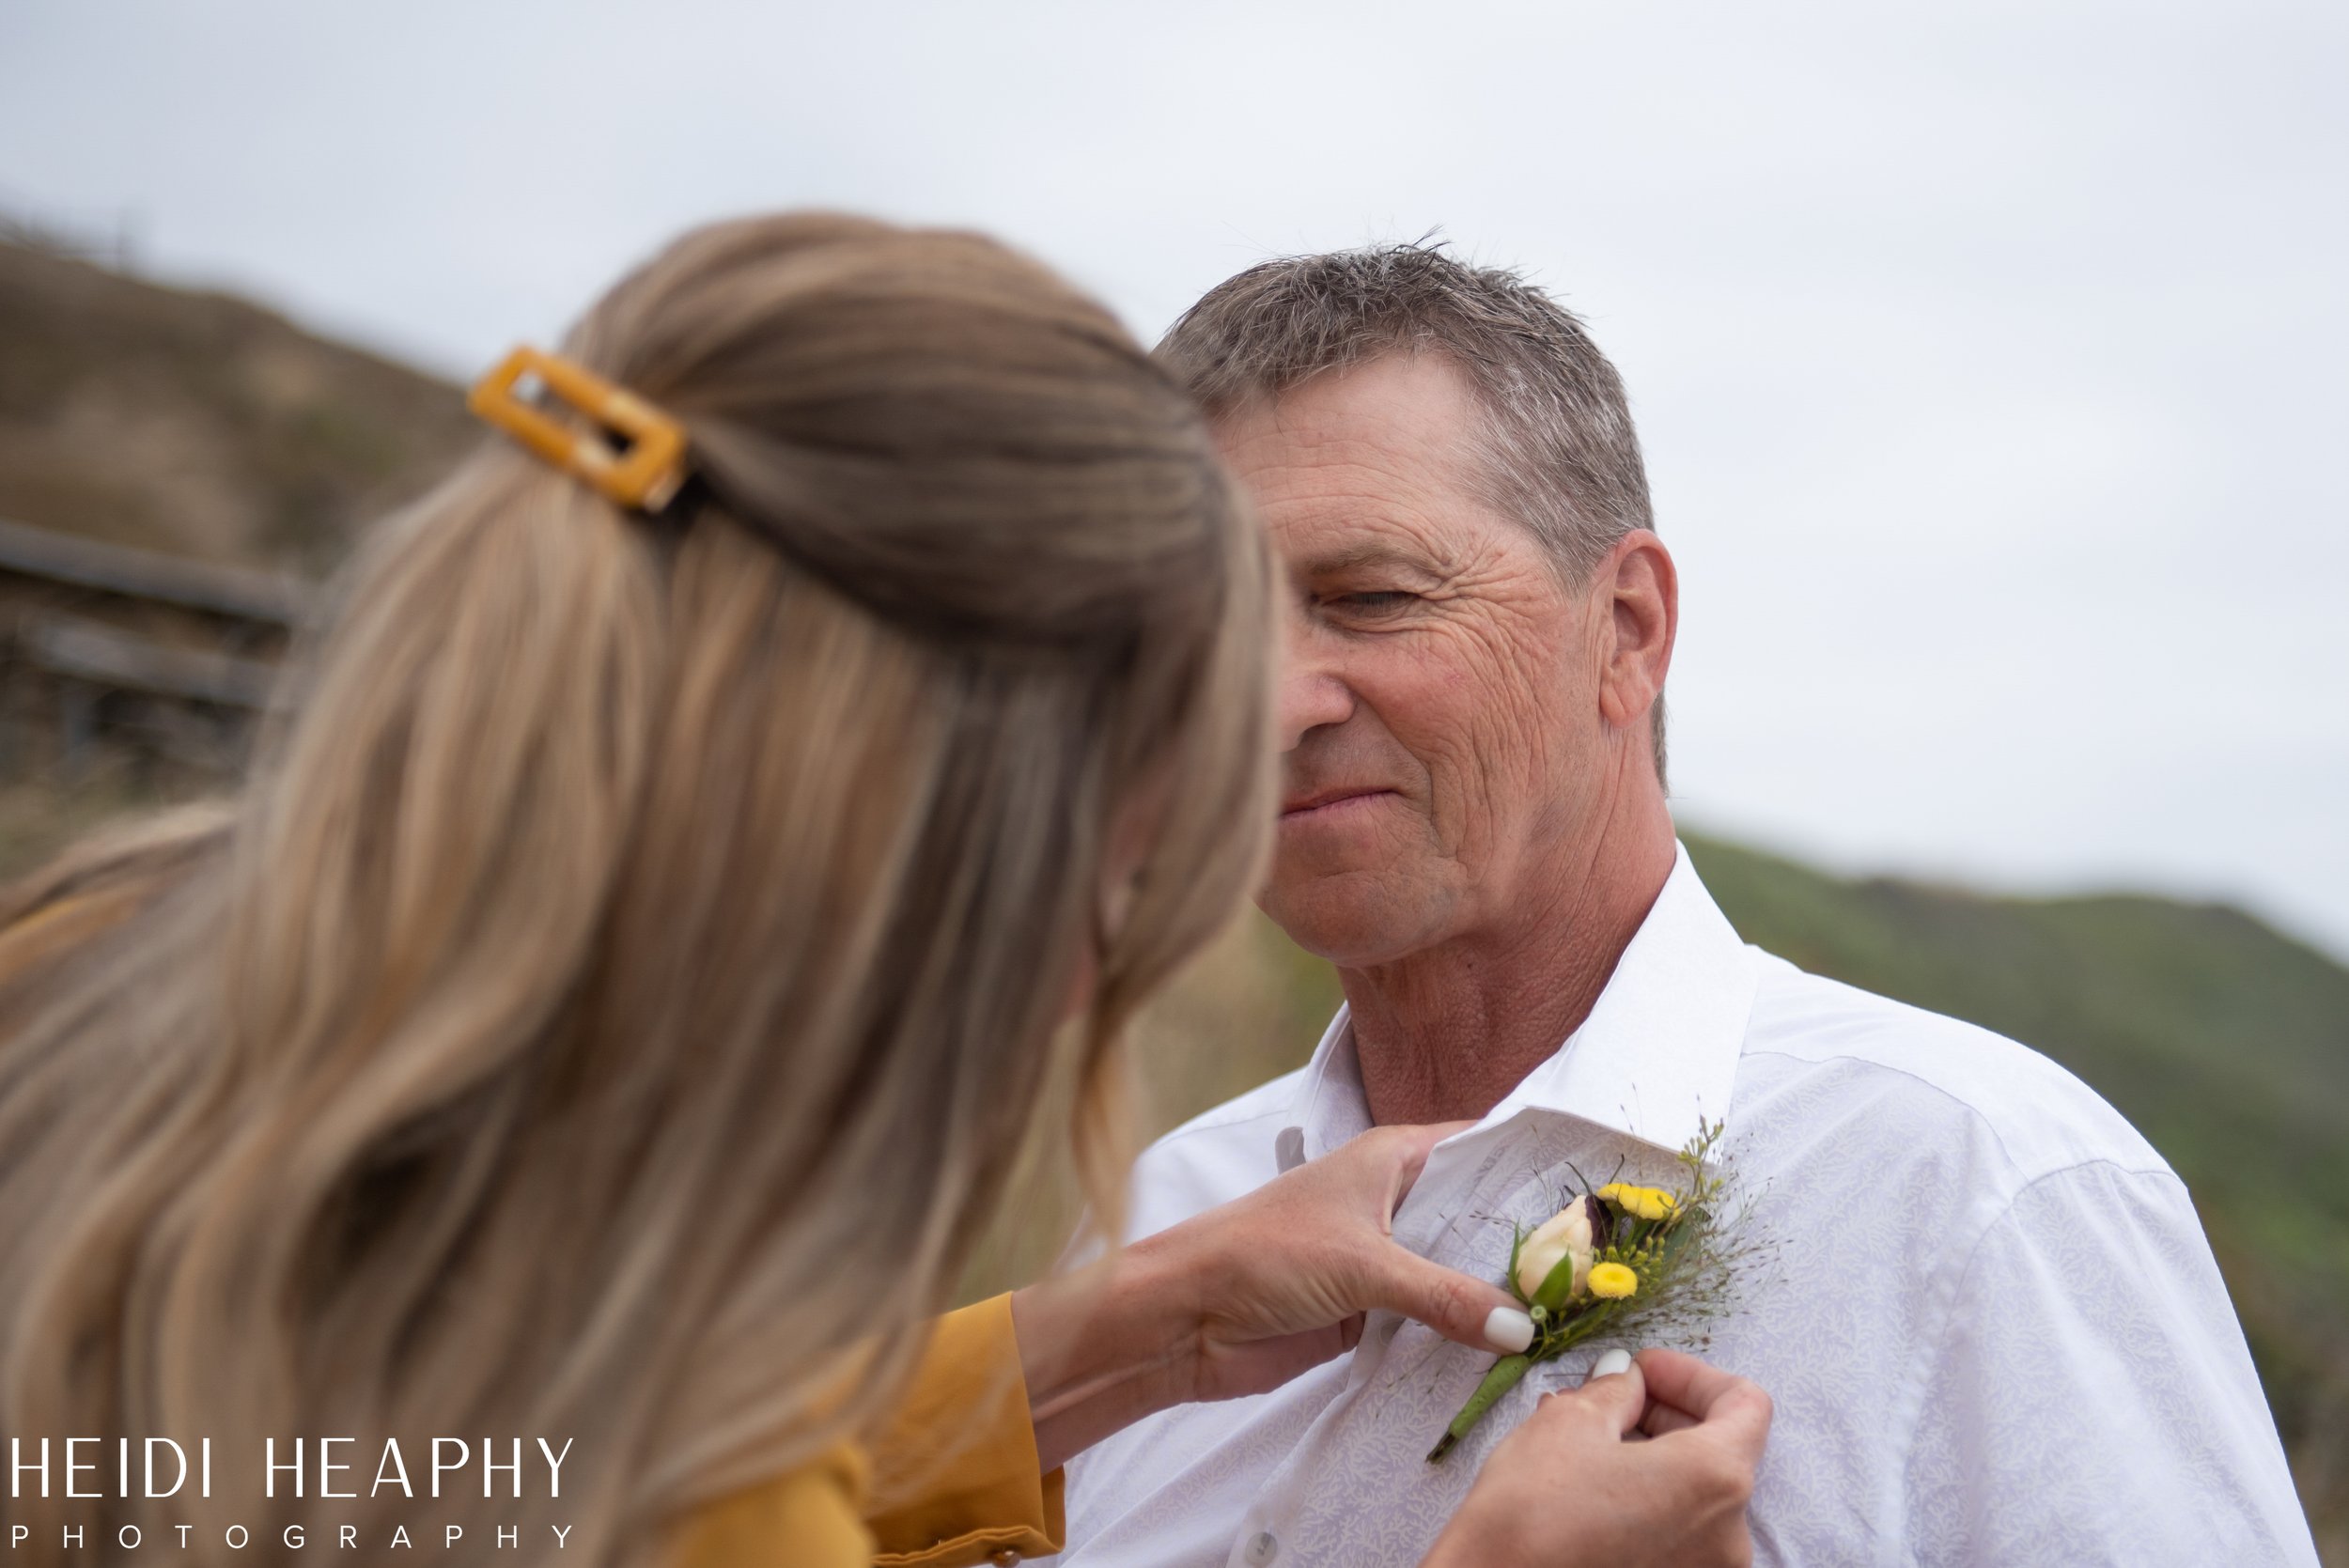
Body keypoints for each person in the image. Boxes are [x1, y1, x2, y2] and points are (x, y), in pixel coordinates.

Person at [0, 214, 1770, 1568]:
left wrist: (1116, 1332)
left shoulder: (94, 992)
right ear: (934, 823)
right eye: (1111, 865)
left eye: (1372, 601)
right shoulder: (603, 1319)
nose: (1081, 982)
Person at [1050, 243, 2321, 1567]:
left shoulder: (1982, 1195)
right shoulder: (1154, 1221)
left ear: (1630, 629)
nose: (1271, 703)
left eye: (1370, 598)